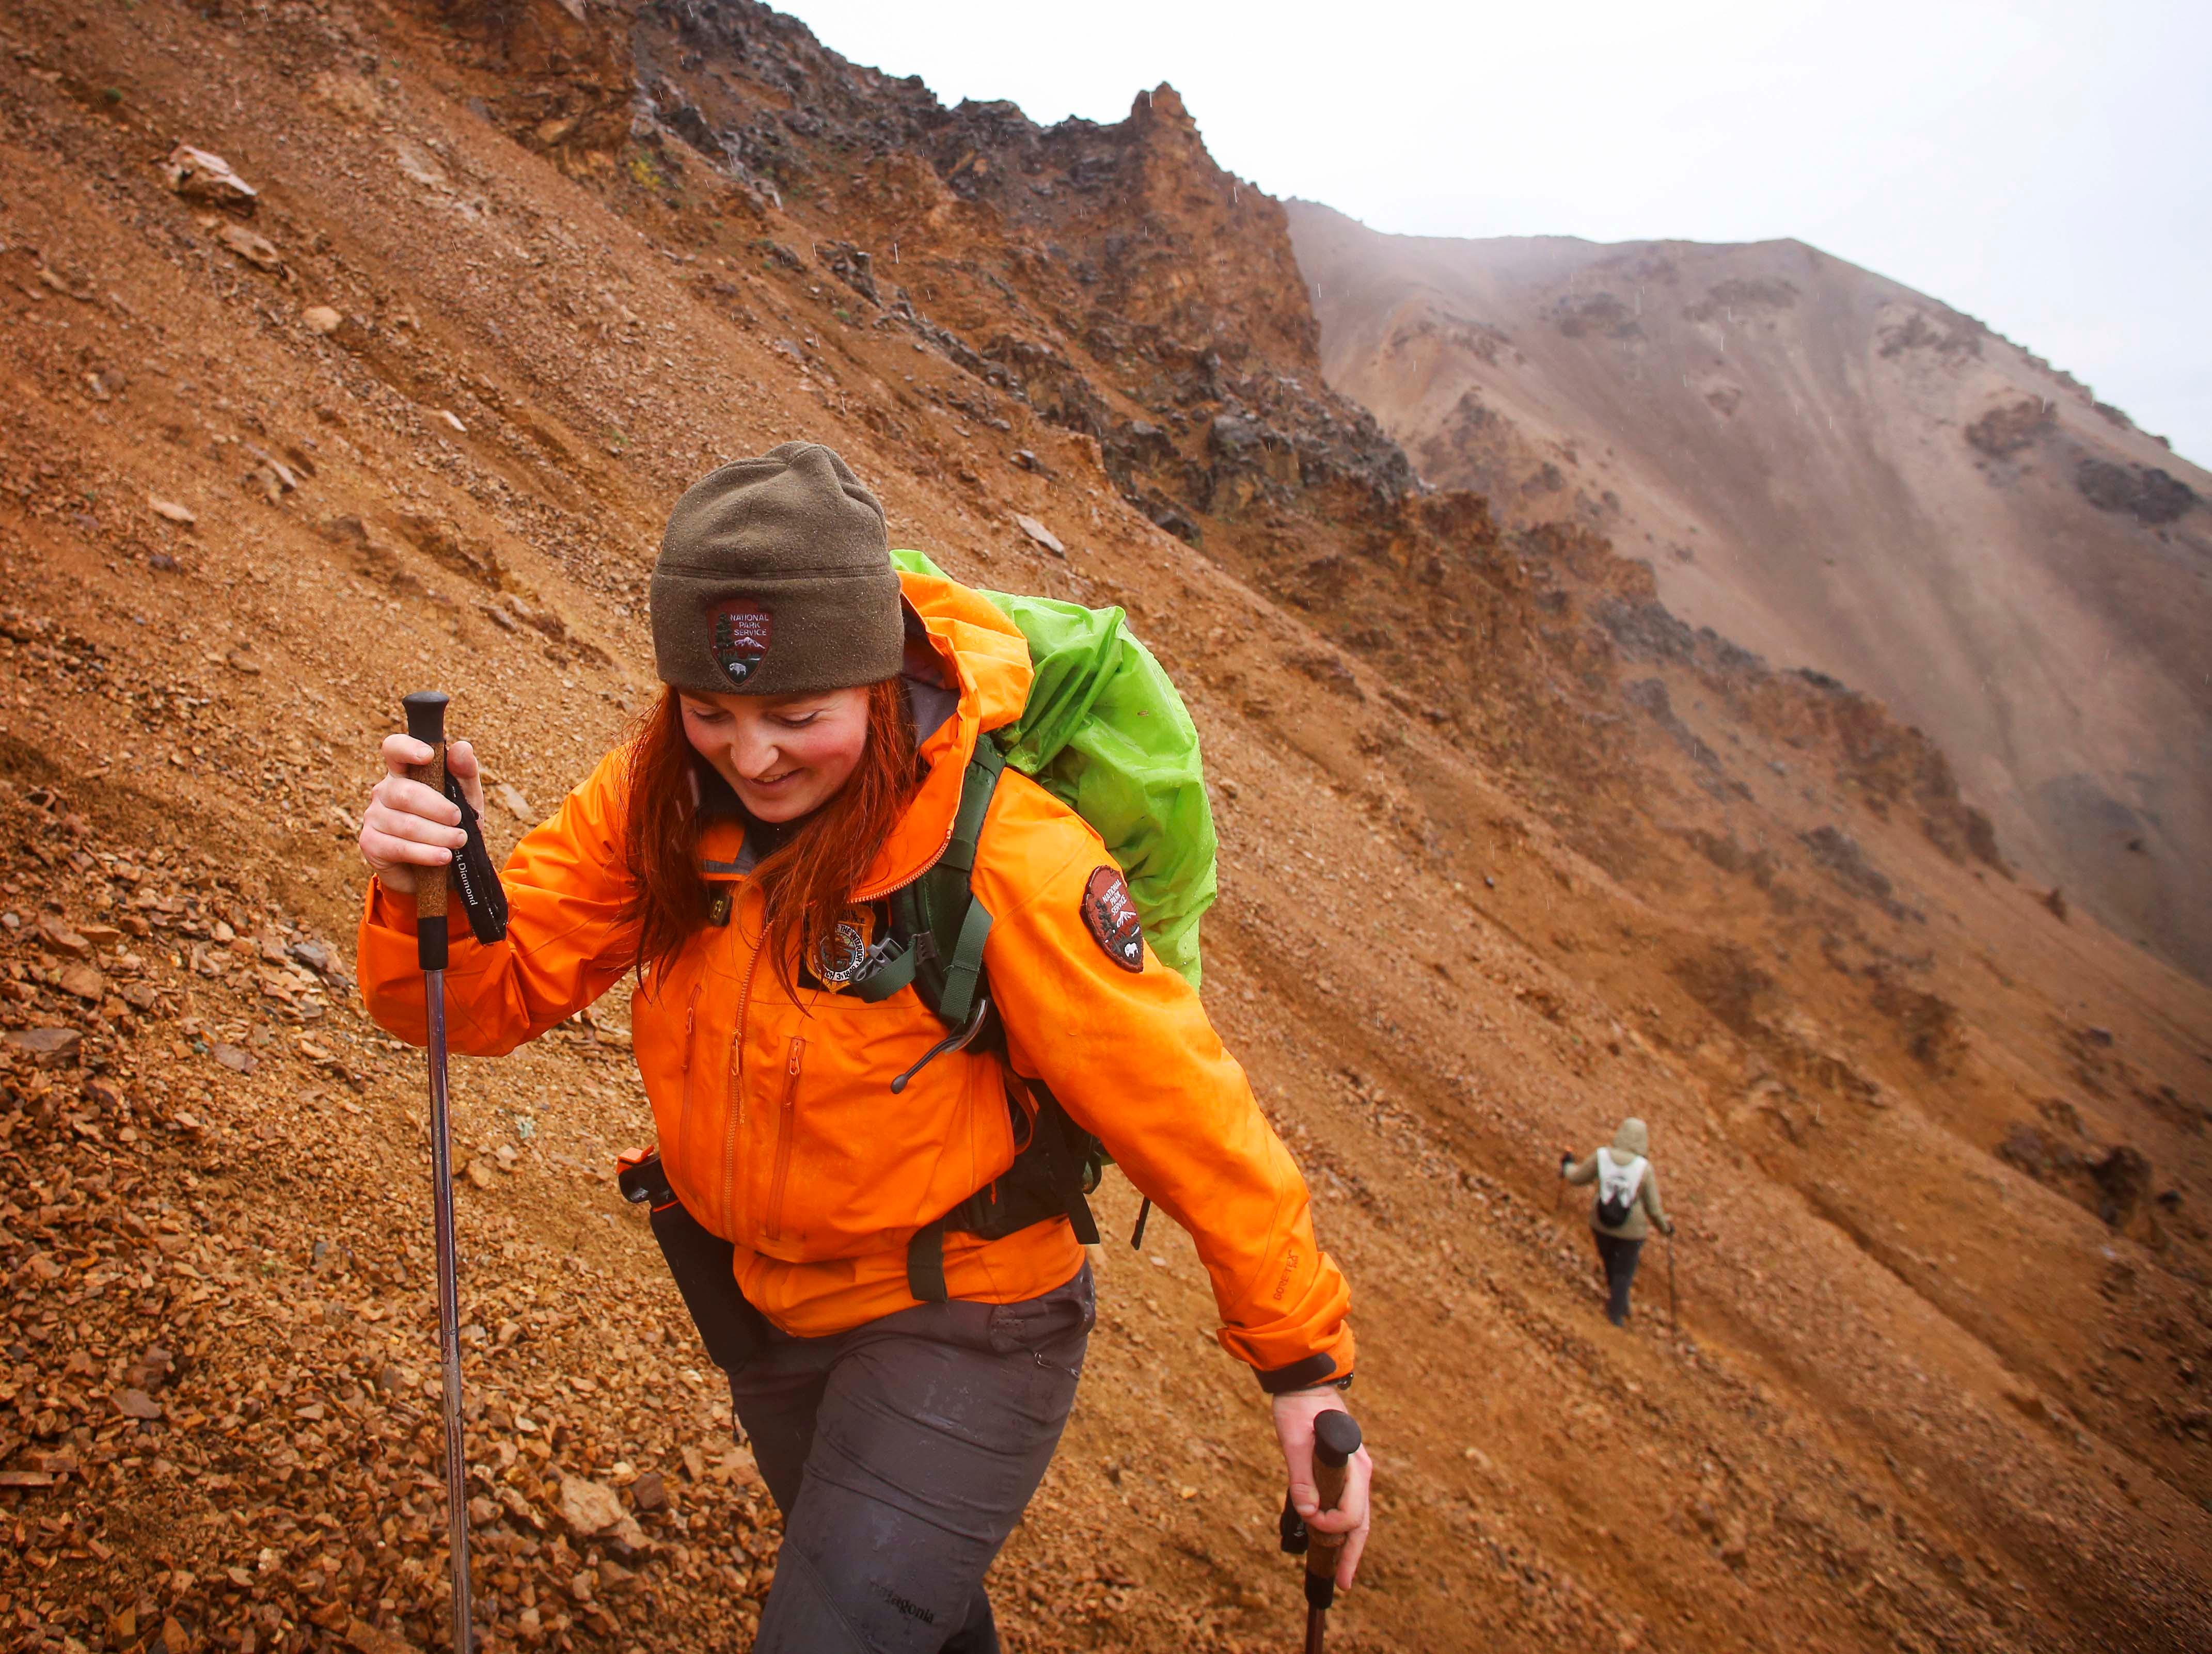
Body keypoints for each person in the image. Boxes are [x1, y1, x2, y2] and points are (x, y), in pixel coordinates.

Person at [353, 441, 1371, 1651]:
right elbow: (471, 1002)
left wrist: (1305, 1368)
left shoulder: (1008, 851)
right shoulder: (657, 794)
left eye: (800, 714)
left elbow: (1190, 1113)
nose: (754, 753)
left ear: (879, 679)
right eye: (712, 709)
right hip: (767, 1311)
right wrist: (427, 887)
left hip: (971, 1322)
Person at [1560, 1117, 1673, 1327]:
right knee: (1625, 1270)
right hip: (1632, 1231)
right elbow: (1653, 1209)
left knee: (1611, 1263)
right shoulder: (1644, 1169)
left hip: (1601, 1223)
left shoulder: (1602, 1156)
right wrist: (1666, 1228)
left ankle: (1620, 1303)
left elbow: (1577, 1178)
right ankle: (1616, 1315)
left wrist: (1567, 1166)